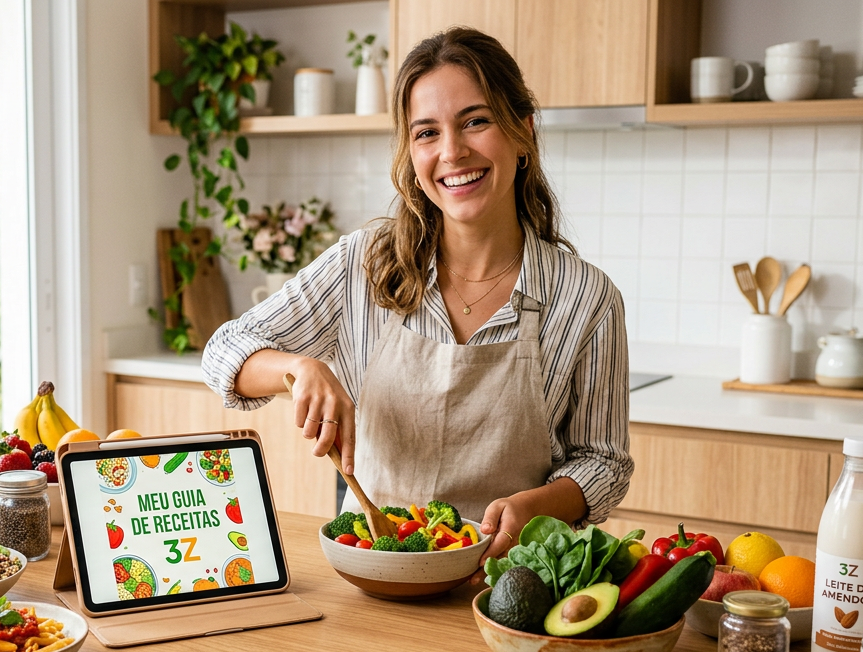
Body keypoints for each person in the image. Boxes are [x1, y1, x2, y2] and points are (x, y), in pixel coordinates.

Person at [201, 27, 632, 564]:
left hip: (508, 585)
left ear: (522, 134)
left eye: (476, 121)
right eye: (426, 132)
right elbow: (224, 350)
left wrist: (540, 506)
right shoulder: (364, 264)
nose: (452, 152)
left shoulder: (586, 299)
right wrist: (298, 367)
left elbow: (605, 462)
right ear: (410, 151)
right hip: (374, 574)